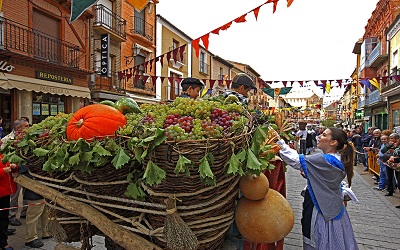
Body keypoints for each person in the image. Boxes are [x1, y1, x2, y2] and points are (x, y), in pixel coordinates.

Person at [277, 127, 358, 249]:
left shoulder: (327, 159)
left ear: (333, 142)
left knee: (321, 239)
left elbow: (296, 161)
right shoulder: (337, 158)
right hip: (332, 206)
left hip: (321, 208)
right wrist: (312, 176)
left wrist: (280, 143)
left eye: (324, 135)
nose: (319, 136)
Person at [1, 119, 30, 227]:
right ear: (18, 128)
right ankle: (12, 215)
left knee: (26, 192)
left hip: (25, 169)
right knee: (15, 194)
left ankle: (24, 212)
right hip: (14, 170)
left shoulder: (28, 137)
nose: (28, 127)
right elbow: (4, 156)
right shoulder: (7, 139)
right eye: (26, 126)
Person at [18, 165, 50, 248]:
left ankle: (46, 232)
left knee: (45, 213)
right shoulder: (26, 161)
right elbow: (23, 171)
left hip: (44, 188)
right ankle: (31, 238)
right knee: (33, 216)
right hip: (34, 189)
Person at [0, 154, 18, 250]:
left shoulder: (2, 155)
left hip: (5, 192)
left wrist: (13, 167)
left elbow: (10, 168)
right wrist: (3, 171)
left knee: (4, 218)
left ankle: (3, 241)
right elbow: (3, 170)